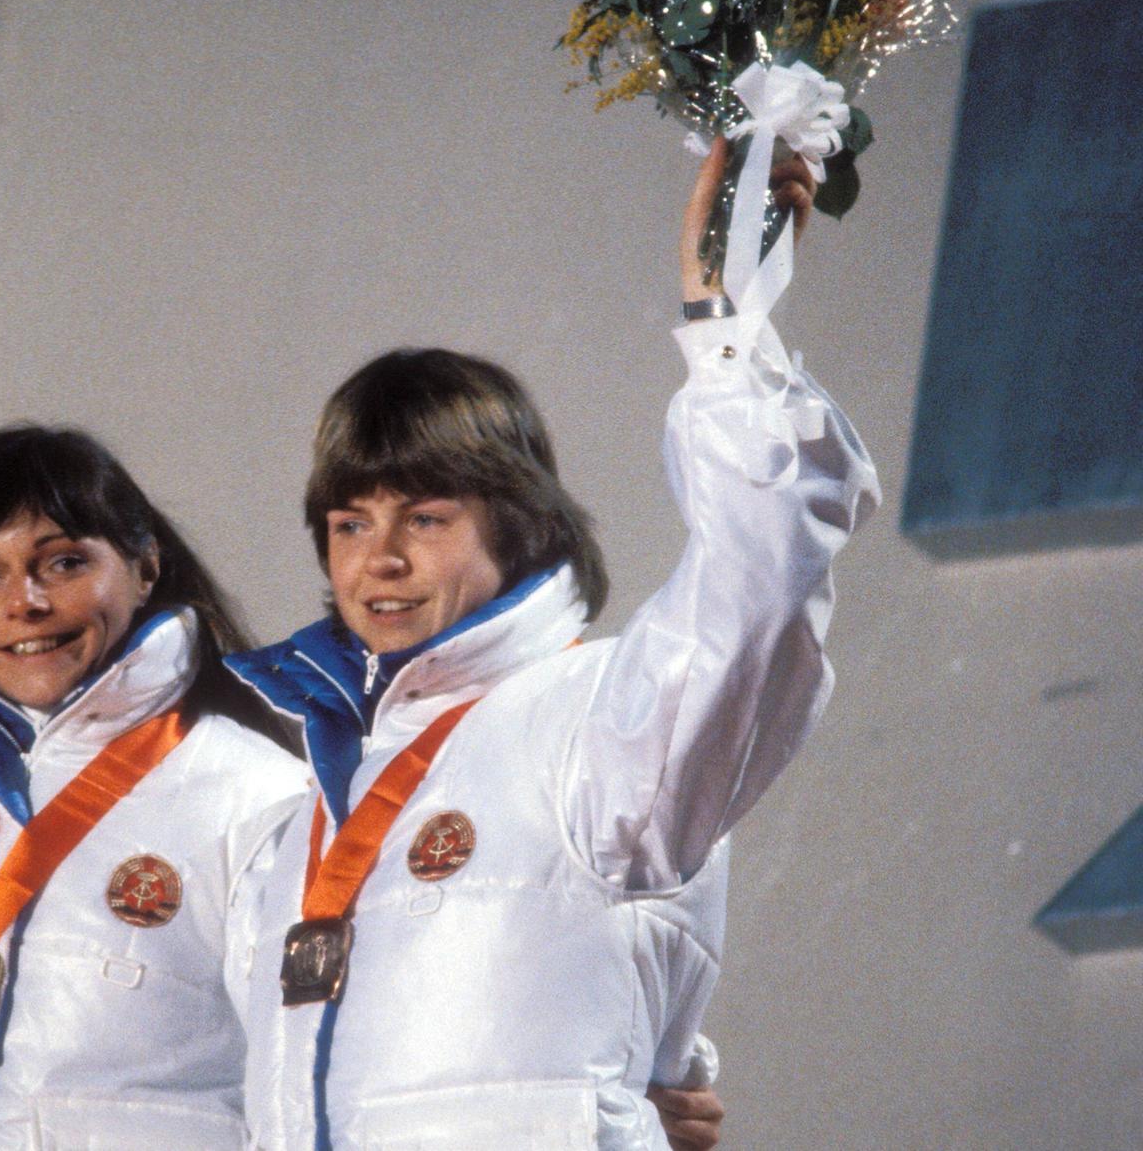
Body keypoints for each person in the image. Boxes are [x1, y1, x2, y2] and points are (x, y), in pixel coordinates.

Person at [0, 174, 727, 1150]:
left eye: (65, 561)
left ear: (146, 567)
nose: (26, 604)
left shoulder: (257, 793)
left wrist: (649, 1077)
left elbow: (365, 1037)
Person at [223, 141, 871, 1149]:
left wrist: (728, 329)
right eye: (349, 524)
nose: (378, 560)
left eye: (425, 519)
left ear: (517, 523)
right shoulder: (296, 818)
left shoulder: (600, 720)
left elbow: (762, 575)